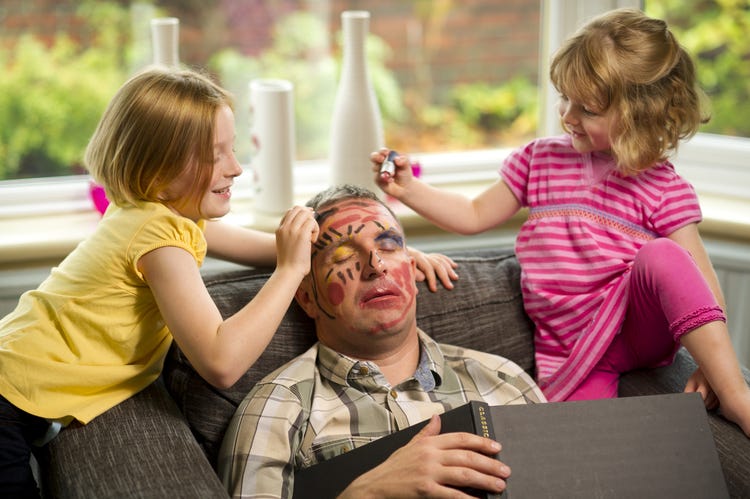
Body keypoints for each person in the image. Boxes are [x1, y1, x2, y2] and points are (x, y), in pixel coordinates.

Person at [0, 68, 452, 498]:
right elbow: (221, 361)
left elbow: (280, 247)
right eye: (215, 155)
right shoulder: (158, 237)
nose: (235, 167)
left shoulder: (163, 216)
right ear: (156, 168)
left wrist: (384, 252)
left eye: (232, 148)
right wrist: (290, 271)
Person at [370, 8, 750, 437]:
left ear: (640, 115)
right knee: (573, 451)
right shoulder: (540, 160)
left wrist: (710, 366)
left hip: (634, 326)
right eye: (564, 97)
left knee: (663, 254)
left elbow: (698, 279)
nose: (568, 116)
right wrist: (408, 190)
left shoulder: (663, 186)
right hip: (571, 350)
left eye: (587, 108)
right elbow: (474, 215)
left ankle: (738, 396)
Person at [218, 184, 546, 498]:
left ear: (413, 272)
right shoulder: (277, 409)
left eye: (388, 246)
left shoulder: (506, 381)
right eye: (344, 255)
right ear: (307, 299)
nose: (376, 266)